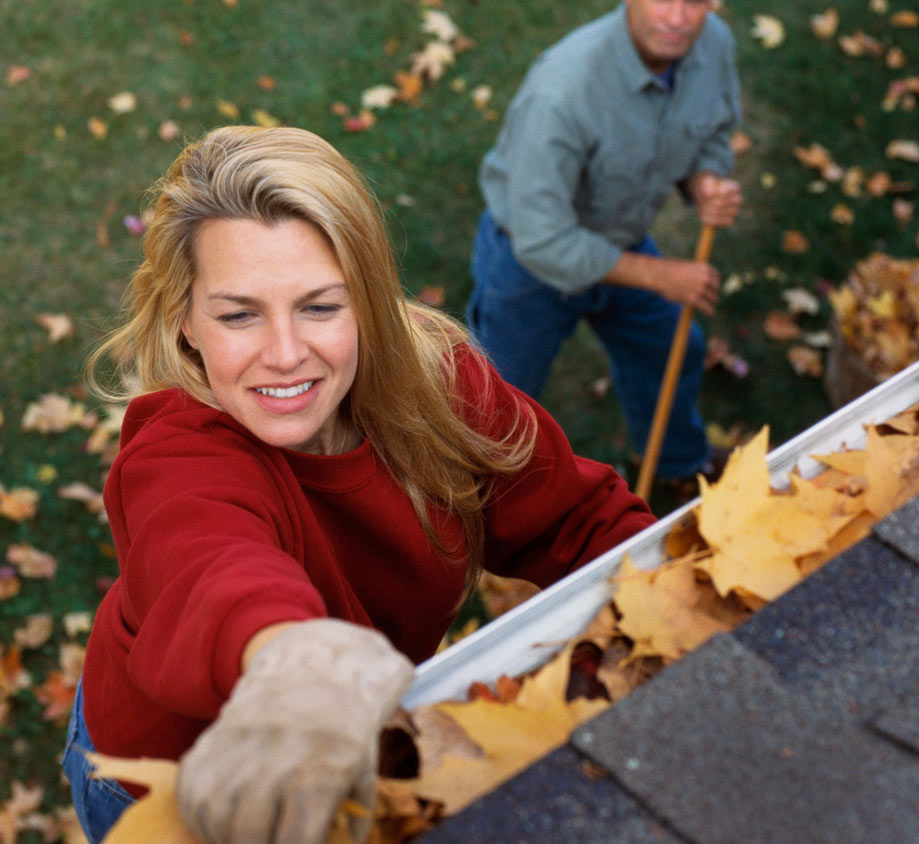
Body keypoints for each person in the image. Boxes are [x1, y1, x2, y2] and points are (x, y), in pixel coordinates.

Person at [62, 125, 656, 844]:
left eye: (320, 306)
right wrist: (301, 665)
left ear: (369, 303)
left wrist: (664, 612)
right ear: (186, 321)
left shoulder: (439, 385)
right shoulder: (176, 457)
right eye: (239, 314)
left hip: (352, 752)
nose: (285, 355)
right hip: (172, 790)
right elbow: (212, 568)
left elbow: (578, 522)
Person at [467, 0, 743, 490]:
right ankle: (477, 500)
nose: (678, 18)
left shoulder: (714, 44)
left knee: (671, 351)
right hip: (528, 266)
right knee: (495, 404)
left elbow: (714, 131)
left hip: (621, 238)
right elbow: (544, 239)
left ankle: (679, 463)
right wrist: (661, 276)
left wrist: (704, 182)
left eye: (695, 1)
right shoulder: (563, 89)